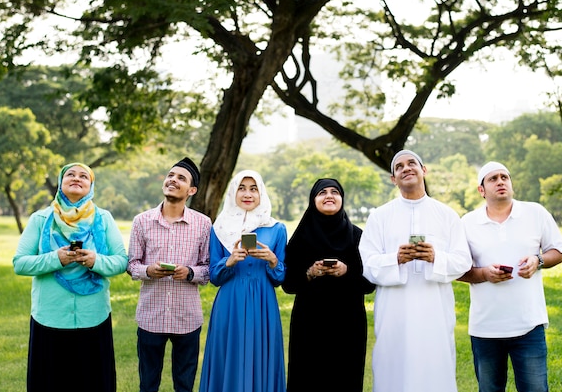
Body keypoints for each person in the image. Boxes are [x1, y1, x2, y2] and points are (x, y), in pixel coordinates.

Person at [358, 149, 472, 392]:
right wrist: (395, 259)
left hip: (435, 310)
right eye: (399, 167)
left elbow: (463, 261)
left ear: (424, 170)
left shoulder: (447, 214)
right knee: (393, 369)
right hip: (393, 311)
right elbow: (367, 263)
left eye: (412, 163)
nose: (406, 168)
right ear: (393, 178)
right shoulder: (379, 216)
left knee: (435, 368)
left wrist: (435, 258)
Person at [13, 162, 128, 392]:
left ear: (91, 185)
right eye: (70, 175)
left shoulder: (104, 219)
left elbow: (121, 261)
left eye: (84, 176)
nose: (77, 178)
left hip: (93, 317)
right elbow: (20, 263)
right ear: (60, 183)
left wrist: (96, 260)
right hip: (50, 317)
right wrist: (56, 259)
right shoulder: (40, 219)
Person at [458, 161, 562, 392]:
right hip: (485, 328)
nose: (500, 182)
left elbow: (558, 252)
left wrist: (538, 261)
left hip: (529, 325)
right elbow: (458, 270)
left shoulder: (535, 212)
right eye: (493, 179)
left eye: (504, 177)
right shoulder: (467, 223)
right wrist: (485, 273)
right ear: (481, 190)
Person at [127, 157, 212, 392]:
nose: (173, 180)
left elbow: (208, 270)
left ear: (191, 190)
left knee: (184, 385)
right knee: (148, 384)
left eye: (181, 178)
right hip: (150, 316)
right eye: (170, 175)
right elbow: (131, 264)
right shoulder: (142, 221)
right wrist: (148, 271)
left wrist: (190, 272)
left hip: (187, 318)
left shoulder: (203, 224)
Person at [282, 178, 375, 392]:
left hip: (348, 322)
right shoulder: (300, 238)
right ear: (313, 200)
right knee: (307, 378)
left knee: (346, 377)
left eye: (335, 192)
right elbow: (288, 284)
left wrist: (346, 271)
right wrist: (310, 272)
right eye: (322, 192)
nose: (329, 196)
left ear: (342, 199)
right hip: (309, 322)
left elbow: (370, 283)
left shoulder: (359, 237)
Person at [198, 170, 287, 392]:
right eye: (242, 188)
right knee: (230, 353)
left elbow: (280, 278)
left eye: (253, 188)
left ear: (261, 193)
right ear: (233, 192)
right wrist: (229, 261)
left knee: (260, 353)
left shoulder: (276, 229)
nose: (247, 194)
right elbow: (214, 277)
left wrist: (273, 260)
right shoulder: (219, 227)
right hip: (230, 302)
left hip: (263, 303)